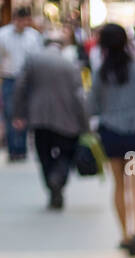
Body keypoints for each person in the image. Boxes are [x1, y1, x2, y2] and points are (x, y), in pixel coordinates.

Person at [88, 22, 135, 258]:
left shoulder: (100, 73)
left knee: (119, 184)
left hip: (112, 137)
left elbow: (92, 106)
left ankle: (125, 234)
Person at [10, 27, 88, 209]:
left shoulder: (33, 61)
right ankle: (59, 176)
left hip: (39, 117)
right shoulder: (71, 65)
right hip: (67, 119)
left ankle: (52, 185)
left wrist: (18, 114)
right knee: (67, 152)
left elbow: (19, 87)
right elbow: (79, 97)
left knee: (44, 154)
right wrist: (85, 124)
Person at [0, 7, 42, 161]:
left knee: (25, 113)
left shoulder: (33, 36)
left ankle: (22, 148)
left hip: (27, 79)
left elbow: (37, 59)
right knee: (10, 113)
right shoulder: (3, 35)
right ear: (15, 19)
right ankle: (13, 149)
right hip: (9, 78)